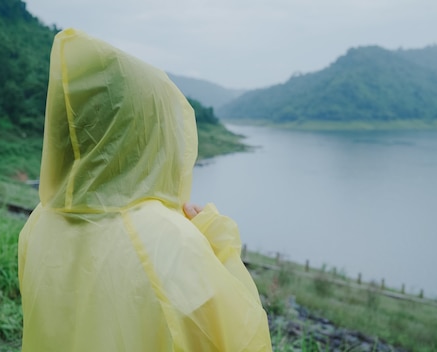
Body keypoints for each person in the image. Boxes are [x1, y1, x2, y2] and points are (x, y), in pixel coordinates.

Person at [18, 28, 272, 351]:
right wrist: (218, 245)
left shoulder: (39, 221)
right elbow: (240, 338)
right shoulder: (172, 241)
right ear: (154, 129)